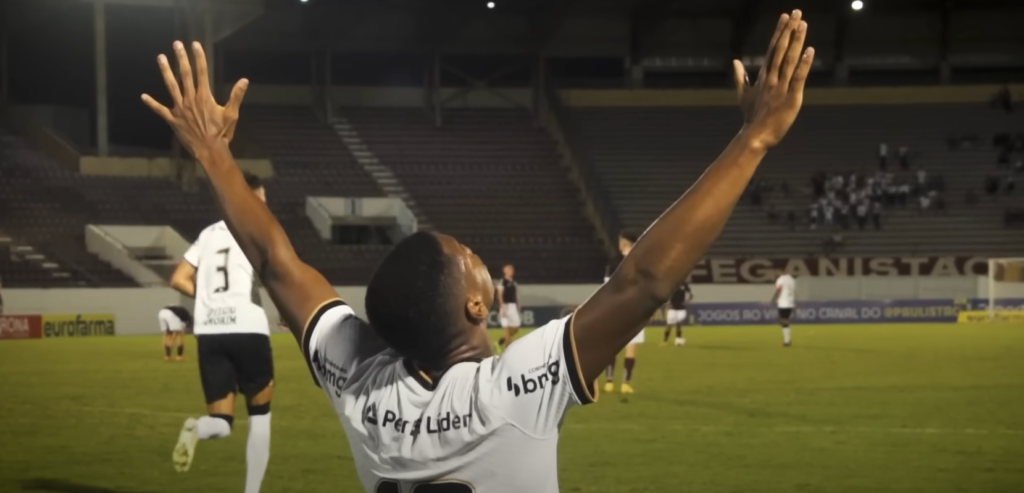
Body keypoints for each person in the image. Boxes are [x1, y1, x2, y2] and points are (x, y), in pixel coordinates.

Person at [142, 13, 812, 489]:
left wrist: (211, 153)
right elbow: (643, 279)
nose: (480, 257)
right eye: (469, 256)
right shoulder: (514, 389)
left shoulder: (359, 383)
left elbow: (277, 262)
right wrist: (754, 138)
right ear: (473, 301)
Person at [166, 172, 273, 493]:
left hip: (210, 331)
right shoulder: (258, 229)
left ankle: (199, 427)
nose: (265, 205)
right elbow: (277, 274)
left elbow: (178, 278)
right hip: (247, 327)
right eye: (261, 198)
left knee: (222, 424)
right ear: (245, 197)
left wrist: (211, 300)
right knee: (260, 416)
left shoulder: (208, 233)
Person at [603, 230, 642, 394]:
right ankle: (626, 383)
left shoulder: (613, 262)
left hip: (616, 308)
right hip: (635, 308)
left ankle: (609, 382)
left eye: (621, 241)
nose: (619, 244)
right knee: (631, 345)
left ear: (626, 242)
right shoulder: (642, 262)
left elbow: (606, 288)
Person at [494, 263, 520, 353]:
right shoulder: (503, 282)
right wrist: (502, 306)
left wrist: (518, 304)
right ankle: (508, 349)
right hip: (505, 306)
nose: (511, 271)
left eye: (512, 270)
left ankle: (500, 342)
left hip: (512, 306)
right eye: (509, 269)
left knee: (515, 327)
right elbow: (500, 295)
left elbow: (515, 294)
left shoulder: (514, 282)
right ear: (505, 271)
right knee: (506, 328)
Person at [769, 268, 796, 347]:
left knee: (783, 321)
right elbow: (793, 291)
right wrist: (794, 303)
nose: (775, 274)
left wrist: (773, 299)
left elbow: (778, 290)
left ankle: (787, 341)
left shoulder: (781, 280)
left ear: (779, 271)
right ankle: (788, 336)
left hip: (783, 303)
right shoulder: (791, 279)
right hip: (790, 302)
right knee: (784, 320)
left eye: (776, 272)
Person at [662, 283, 692, 347]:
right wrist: (667, 304)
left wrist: (688, 301)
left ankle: (678, 341)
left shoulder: (684, 284)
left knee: (678, 324)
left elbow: (691, 294)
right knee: (669, 325)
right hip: (672, 309)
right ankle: (665, 340)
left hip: (681, 309)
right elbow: (666, 294)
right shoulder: (672, 284)